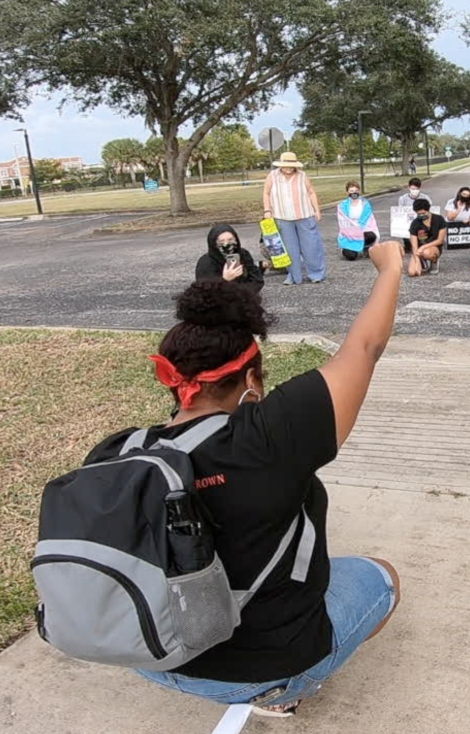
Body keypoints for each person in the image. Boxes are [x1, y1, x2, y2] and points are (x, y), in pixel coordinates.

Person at [90, 240, 405, 717]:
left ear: (171, 380)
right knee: (382, 577)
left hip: (146, 655)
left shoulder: (120, 451)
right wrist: (390, 268)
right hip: (261, 670)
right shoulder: (271, 437)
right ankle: (282, 692)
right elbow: (364, 347)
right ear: (253, 379)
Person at [263, 152, 326, 286]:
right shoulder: (272, 176)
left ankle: (316, 274)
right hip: (282, 217)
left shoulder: (302, 175)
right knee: (289, 249)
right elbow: (266, 193)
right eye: (285, 166)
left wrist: (317, 209)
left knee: (311, 246)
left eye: (291, 166)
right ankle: (293, 276)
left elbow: (311, 192)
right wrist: (267, 210)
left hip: (305, 215)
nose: (288, 168)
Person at [195, 224, 264, 291]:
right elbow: (204, 291)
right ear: (214, 244)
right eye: (221, 241)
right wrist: (224, 279)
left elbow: (257, 279)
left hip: (244, 297)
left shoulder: (243, 254)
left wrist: (243, 292)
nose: (226, 244)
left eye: (230, 239)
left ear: (236, 240)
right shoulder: (205, 262)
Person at [336, 181, 379, 261]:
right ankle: (346, 248)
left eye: (356, 191)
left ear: (359, 191)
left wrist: (359, 227)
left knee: (371, 235)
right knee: (351, 256)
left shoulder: (365, 204)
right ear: (347, 192)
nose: (354, 193)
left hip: (363, 229)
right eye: (351, 191)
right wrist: (354, 227)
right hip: (349, 232)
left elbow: (368, 218)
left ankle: (366, 247)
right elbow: (343, 220)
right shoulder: (342, 206)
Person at [407, 198, 447, 276]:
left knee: (427, 252)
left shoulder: (439, 219)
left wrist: (423, 247)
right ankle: (422, 262)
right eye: (419, 214)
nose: (421, 216)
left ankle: (434, 261)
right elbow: (414, 244)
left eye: (423, 213)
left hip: (433, 246)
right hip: (418, 250)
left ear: (428, 210)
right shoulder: (415, 223)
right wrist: (416, 259)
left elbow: (440, 240)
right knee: (412, 272)